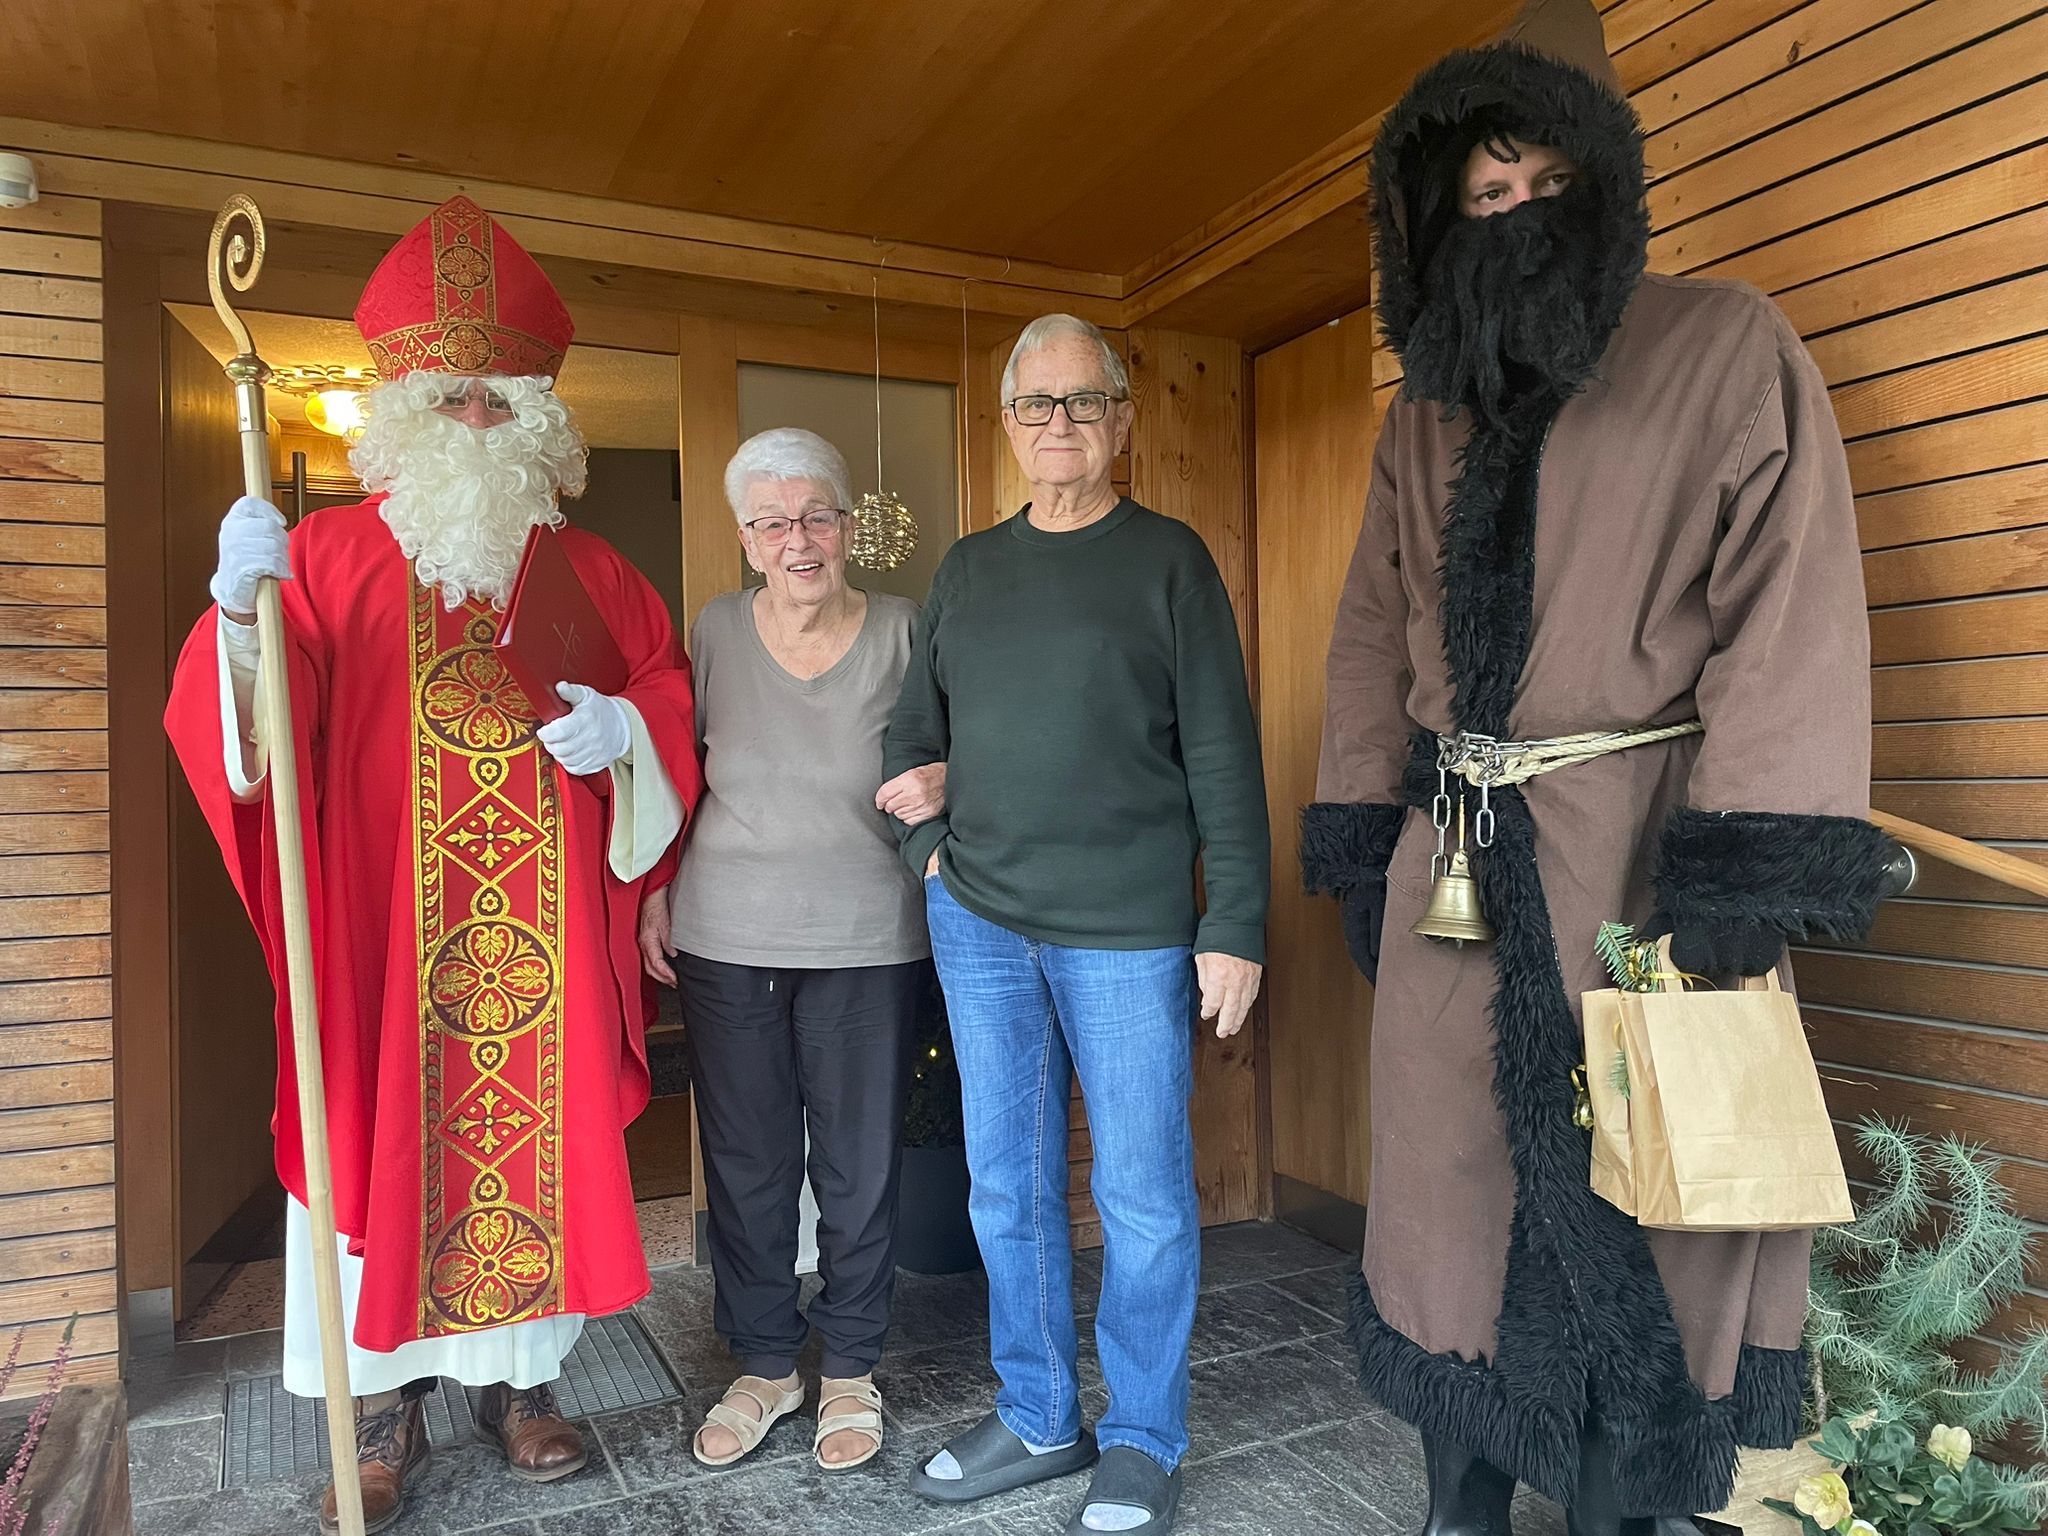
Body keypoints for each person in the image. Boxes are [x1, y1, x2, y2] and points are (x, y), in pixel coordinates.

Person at [1300, 3, 1899, 1533]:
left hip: (1638, 860)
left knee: (1654, 1191)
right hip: (1451, 869)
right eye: (1479, 199)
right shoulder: (1422, 414)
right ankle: (1460, 1506)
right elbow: (1374, 625)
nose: (1510, 219)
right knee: (1446, 1194)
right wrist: (1364, 829)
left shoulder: (1726, 345)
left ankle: (1625, 1507)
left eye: (1540, 185)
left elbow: (1793, 607)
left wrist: (1748, 869)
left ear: (1608, 182)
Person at [164, 195, 702, 1535]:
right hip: (385, 941)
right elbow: (246, 736)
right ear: (399, 406)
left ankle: (521, 1392)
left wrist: (628, 733)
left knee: (535, 1149)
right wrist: (237, 618)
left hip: (542, 944)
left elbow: (670, 698)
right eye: (453, 396)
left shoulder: (597, 569)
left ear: (538, 413)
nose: (478, 421)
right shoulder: (328, 559)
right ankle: (381, 1407)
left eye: (502, 398)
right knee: (384, 1147)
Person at [885, 313, 1269, 1536]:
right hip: (981, 921)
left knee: (1146, 1194)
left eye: (1083, 403)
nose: (1059, 425)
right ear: (1006, 425)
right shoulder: (964, 569)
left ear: (1121, 420)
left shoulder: (1169, 562)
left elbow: (1222, 754)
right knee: (1005, 1188)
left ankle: (1144, 1437)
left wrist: (1237, 922)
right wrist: (928, 851)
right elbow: (910, 740)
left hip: (1128, 930)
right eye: (1037, 405)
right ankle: (1041, 1413)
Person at [634, 427, 941, 1473]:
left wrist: (948, 784)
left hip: (867, 934)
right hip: (726, 931)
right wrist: (656, 892)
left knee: (857, 1168)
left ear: (849, 526)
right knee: (750, 1161)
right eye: (772, 522)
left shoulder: (905, 628)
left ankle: (850, 1367)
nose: (797, 540)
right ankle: (766, 1363)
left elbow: (961, 751)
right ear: (745, 539)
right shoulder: (713, 628)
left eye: (815, 516)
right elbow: (676, 768)